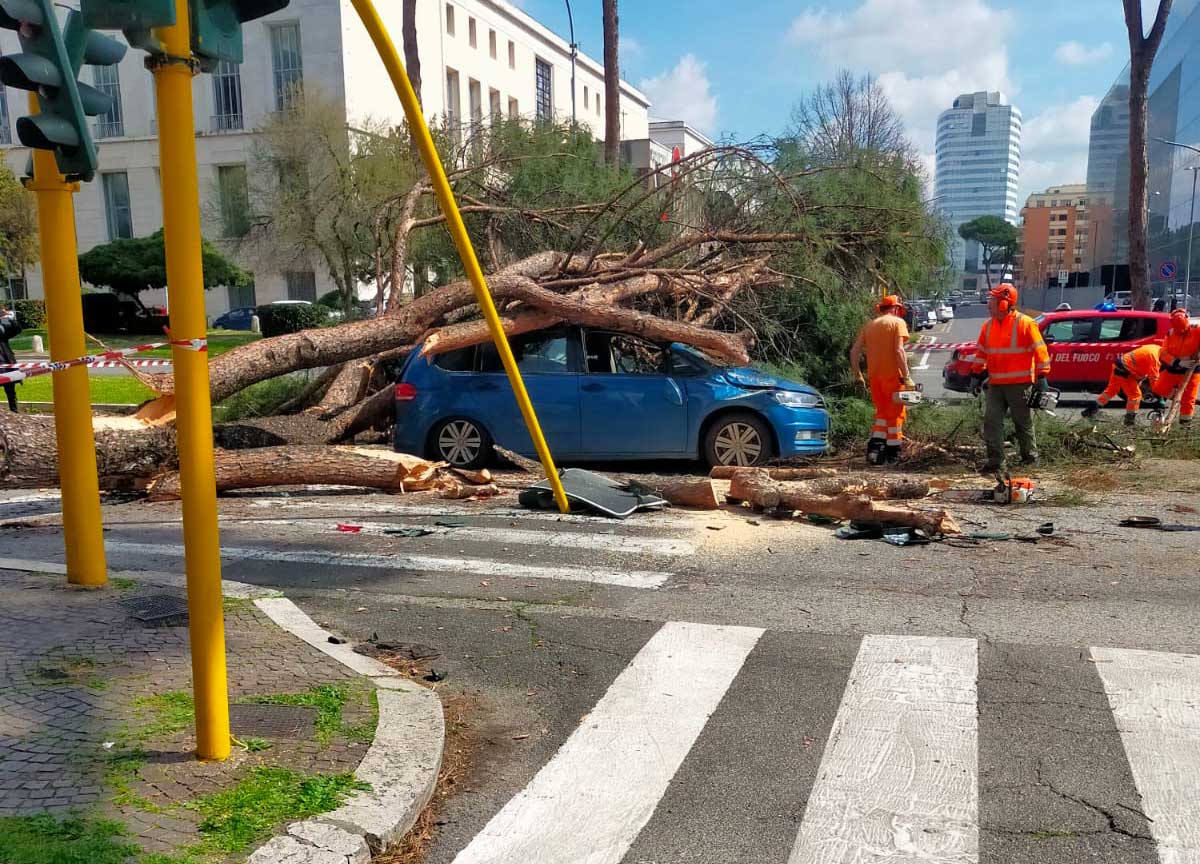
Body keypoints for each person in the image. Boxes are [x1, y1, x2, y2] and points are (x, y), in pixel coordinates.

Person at [970, 284, 1051, 474]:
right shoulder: (988, 326)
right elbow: (981, 353)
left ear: (1004, 304)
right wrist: (975, 373)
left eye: (993, 301)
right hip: (996, 384)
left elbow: (1040, 351)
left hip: (1020, 384)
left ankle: (1030, 458)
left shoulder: (1025, 323)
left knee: (1022, 422)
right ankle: (996, 462)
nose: (989, 305)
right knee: (991, 422)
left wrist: (1042, 377)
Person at [850, 294, 913, 465]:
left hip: (875, 378)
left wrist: (858, 376)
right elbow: (899, 351)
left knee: (882, 416)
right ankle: (894, 454)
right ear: (895, 309)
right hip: (893, 377)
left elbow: (854, 352)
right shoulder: (897, 323)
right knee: (896, 418)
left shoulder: (869, 325)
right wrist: (906, 377)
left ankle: (875, 449)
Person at [1082, 343, 1161, 426]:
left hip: (1119, 365)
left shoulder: (1155, 348)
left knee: (1111, 390)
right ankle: (1129, 423)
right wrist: (1159, 396)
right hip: (1124, 371)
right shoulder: (1155, 359)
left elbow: (1141, 364)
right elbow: (1154, 382)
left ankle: (1089, 410)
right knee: (1135, 395)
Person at [1151, 309, 1200, 425]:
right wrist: (1177, 362)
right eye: (1180, 330)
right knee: (1158, 388)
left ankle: (1185, 425)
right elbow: (1163, 352)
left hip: (1192, 370)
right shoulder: (1170, 334)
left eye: (1184, 329)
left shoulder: (1196, 329)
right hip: (1175, 368)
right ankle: (1178, 400)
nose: (1182, 332)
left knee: (1189, 399)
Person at [0, 305, 20, 413]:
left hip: (5, 362)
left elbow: (17, 330)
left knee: (10, 389)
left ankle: (14, 411)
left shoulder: (2, 331)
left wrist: (11, 318)